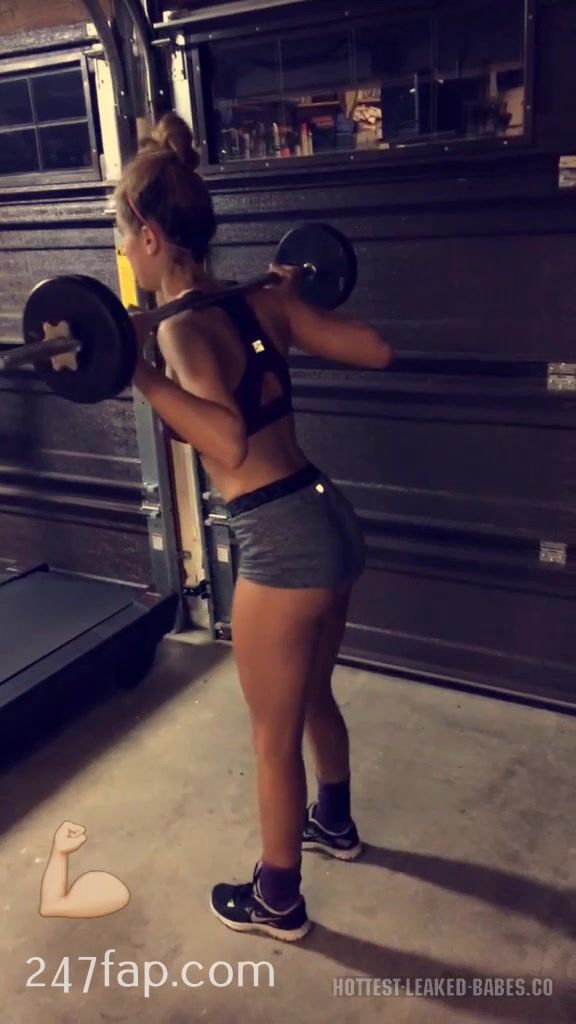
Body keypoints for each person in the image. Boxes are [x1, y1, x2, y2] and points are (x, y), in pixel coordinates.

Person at [115, 113, 392, 943]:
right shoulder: (260, 301)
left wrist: (137, 372)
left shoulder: (180, 327)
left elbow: (226, 439)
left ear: (151, 237)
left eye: (123, 235)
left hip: (281, 542)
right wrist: (292, 299)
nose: (123, 251)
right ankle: (333, 821)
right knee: (312, 693)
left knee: (272, 740)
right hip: (328, 518)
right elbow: (374, 349)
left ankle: (277, 901)